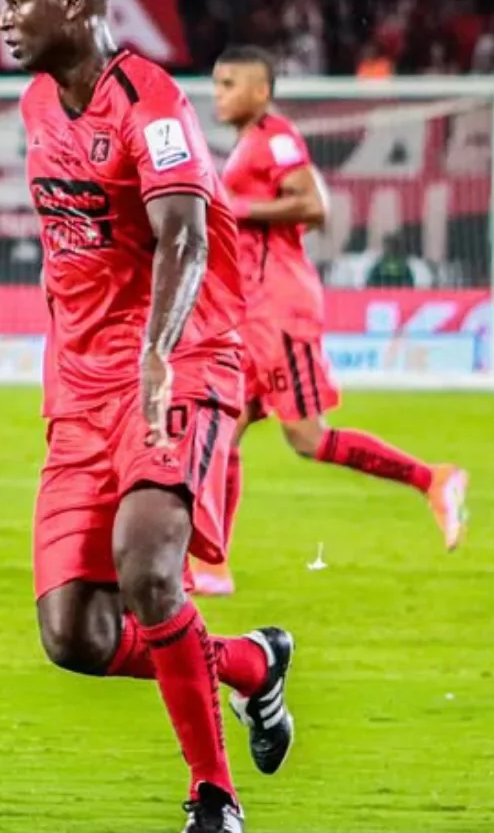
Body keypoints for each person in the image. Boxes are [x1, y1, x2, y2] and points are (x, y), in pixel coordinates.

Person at [0, 0, 290, 833]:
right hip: (81, 389)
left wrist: (158, 351)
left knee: (149, 564)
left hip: (177, 364)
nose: (5, 17)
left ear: (79, 6)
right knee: (74, 639)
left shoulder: (151, 103)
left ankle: (213, 795)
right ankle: (249, 667)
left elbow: (186, 236)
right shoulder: (37, 102)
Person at [193, 46, 467, 600]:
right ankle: (212, 567)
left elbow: (313, 207)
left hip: (280, 308)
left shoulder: (275, 137)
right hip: (253, 309)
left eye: (229, 84)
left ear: (262, 90)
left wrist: (234, 210)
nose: (218, 94)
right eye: (217, 84)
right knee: (224, 428)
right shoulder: (249, 143)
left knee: (306, 437)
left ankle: (432, 479)